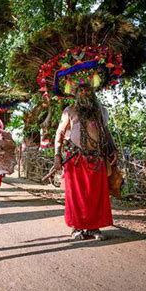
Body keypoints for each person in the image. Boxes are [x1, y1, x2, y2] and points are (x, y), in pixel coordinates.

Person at [54, 84, 118, 241]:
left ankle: (93, 227)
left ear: (93, 92)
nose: (84, 92)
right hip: (76, 159)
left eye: (87, 89)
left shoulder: (101, 111)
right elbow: (60, 133)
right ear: (75, 93)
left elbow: (106, 131)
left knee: (96, 195)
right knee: (77, 196)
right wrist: (57, 155)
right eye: (80, 90)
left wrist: (113, 148)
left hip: (97, 158)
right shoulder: (70, 111)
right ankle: (78, 228)